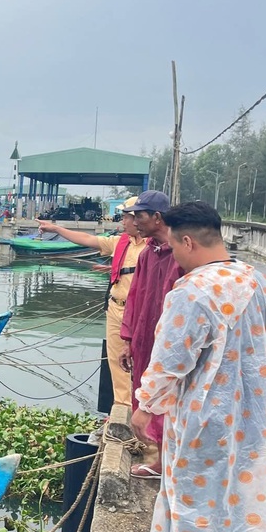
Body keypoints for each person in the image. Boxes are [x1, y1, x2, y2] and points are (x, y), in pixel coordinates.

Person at [130, 200, 266, 532]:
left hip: (206, 414)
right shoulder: (262, 283)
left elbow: (171, 358)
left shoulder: (193, 291)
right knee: (239, 491)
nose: (175, 256)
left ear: (187, 241)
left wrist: (146, 405)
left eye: (174, 246)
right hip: (256, 412)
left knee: (186, 491)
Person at [39, 196, 147, 407]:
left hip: (139, 312)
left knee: (142, 362)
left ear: (138, 219)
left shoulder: (153, 248)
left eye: (126, 217)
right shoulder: (120, 242)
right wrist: (57, 229)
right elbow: (87, 239)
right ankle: (121, 409)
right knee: (117, 362)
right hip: (115, 308)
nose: (122, 221)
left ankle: (140, 409)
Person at [118, 190, 185, 479]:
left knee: (170, 394)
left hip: (170, 338)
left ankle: (165, 461)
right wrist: (127, 340)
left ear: (157, 217)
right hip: (145, 335)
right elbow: (134, 297)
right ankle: (155, 454)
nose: (135, 222)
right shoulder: (148, 254)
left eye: (140, 216)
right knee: (143, 387)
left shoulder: (179, 255)